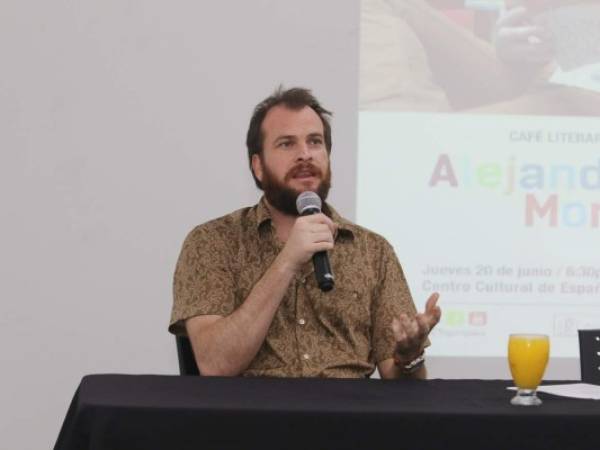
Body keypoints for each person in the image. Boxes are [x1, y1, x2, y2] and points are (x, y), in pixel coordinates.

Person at [169, 87, 441, 378]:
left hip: (349, 418)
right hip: (252, 418)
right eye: (287, 144)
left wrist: (409, 357)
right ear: (258, 166)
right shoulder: (212, 242)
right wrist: (287, 261)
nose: (305, 155)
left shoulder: (373, 251)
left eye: (315, 142)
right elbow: (215, 365)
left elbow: (401, 383)